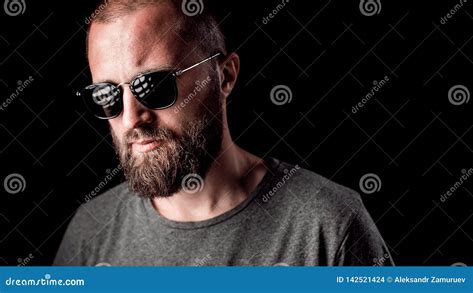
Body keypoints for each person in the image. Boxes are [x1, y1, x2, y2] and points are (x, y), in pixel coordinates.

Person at [54, 0, 393, 266]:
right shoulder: (91, 231)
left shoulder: (328, 226)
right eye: (107, 96)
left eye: (154, 85)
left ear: (225, 76)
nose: (131, 118)